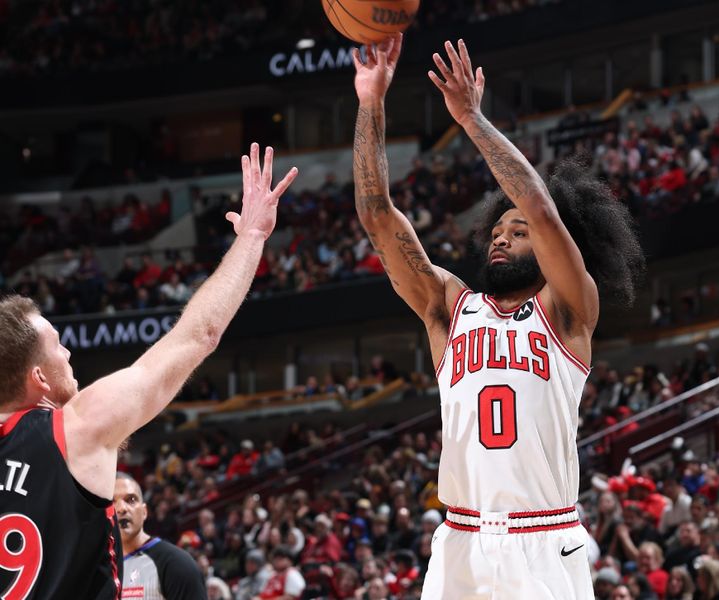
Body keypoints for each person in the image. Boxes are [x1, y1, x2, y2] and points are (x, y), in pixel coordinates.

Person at [351, 34, 643, 600]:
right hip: (460, 538)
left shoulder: (568, 312)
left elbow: (540, 207)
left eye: (517, 233)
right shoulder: (450, 308)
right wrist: (371, 105)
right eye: (496, 232)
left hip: (543, 539)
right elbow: (377, 216)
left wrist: (471, 120)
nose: (501, 239)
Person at [0, 143, 297, 599]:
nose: (69, 355)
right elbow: (196, 336)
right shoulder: (76, 429)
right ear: (38, 378)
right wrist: (252, 236)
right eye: (58, 346)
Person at [114, 473, 206, 599]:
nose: (121, 508)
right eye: (112, 502)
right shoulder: (96, 568)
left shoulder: (176, 563)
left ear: (144, 512)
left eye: (131, 500)